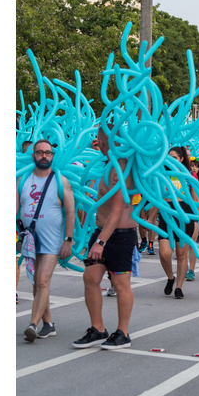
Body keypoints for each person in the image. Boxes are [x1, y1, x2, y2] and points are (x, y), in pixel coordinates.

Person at [73, 127, 139, 349]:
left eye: (99, 141)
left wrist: (100, 242)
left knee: (121, 284)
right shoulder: (109, 166)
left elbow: (117, 210)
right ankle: (98, 329)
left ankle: (123, 333)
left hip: (119, 236)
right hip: (102, 233)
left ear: (104, 142)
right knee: (90, 277)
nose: (97, 144)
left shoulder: (120, 168)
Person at [17, 140, 75, 342]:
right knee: (37, 282)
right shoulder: (23, 180)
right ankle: (48, 324)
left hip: (51, 240)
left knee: (41, 281)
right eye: (39, 152)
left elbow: (70, 212)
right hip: (29, 240)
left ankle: (33, 324)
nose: (43, 156)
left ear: (52, 156)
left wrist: (68, 240)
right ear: (33, 155)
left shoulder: (61, 181)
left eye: (47, 153)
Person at [157, 146, 199, 299]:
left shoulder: (189, 175)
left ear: (181, 159)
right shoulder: (162, 175)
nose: (171, 160)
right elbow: (157, 198)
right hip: (166, 215)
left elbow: (196, 200)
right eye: (168, 157)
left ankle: (179, 287)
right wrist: (151, 218)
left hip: (185, 216)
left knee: (181, 253)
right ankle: (171, 278)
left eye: (174, 157)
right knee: (164, 253)